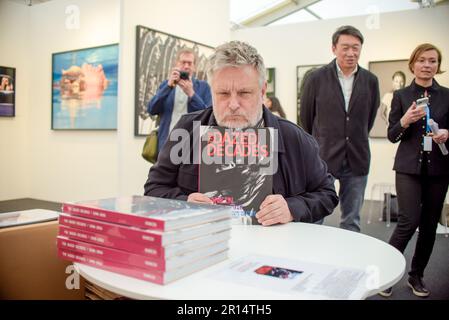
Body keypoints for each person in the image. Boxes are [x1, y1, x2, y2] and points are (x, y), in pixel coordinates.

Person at [144, 41, 338, 225]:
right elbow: (154, 188)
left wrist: (292, 208)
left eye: (244, 93)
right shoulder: (187, 130)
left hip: (273, 249)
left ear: (262, 92)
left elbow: (327, 194)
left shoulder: (293, 138)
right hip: (203, 249)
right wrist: (184, 202)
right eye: (223, 94)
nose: (234, 105)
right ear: (212, 91)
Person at [379, 43, 449, 298]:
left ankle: (416, 275)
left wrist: (446, 133)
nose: (427, 65)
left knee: (430, 225)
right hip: (408, 168)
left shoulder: (447, 96)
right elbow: (392, 135)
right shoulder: (401, 96)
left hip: (439, 170)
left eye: (432, 61)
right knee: (408, 220)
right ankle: (386, 273)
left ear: (437, 66)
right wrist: (405, 120)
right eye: (422, 60)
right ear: (412, 64)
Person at [300, 25, 380, 232]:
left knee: (351, 221)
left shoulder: (371, 81)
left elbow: (368, 120)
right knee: (314, 217)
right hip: (323, 157)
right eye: (345, 47)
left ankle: (349, 261)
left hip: (358, 158)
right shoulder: (316, 78)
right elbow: (306, 120)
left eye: (356, 47)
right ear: (334, 48)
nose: (351, 53)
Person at [147, 47, 212, 152]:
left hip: (192, 146)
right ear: (177, 64)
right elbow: (151, 109)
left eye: (190, 63)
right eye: (183, 62)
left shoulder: (204, 87)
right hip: (166, 144)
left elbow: (208, 117)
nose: (186, 66)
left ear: (194, 67)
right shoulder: (166, 85)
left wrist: (192, 94)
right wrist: (168, 87)